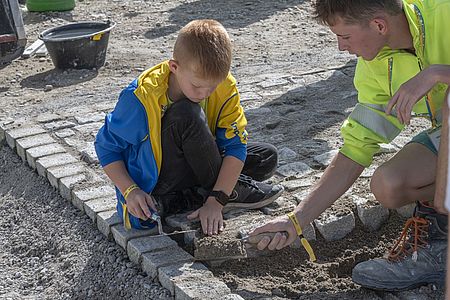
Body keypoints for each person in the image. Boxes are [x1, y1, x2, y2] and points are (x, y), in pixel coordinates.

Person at [251, 0, 450, 291]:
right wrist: (296, 221)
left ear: (379, 25)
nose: (340, 48)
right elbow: (356, 149)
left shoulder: (443, 11)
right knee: (388, 184)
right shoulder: (373, 66)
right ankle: (441, 249)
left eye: (344, 36)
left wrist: (438, 73)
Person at [95, 19, 283, 236]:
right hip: (158, 178)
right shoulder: (140, 98)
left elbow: (235, 145)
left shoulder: (224, 84)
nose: (204, 93)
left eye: (212, 86)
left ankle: (189, 197)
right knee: (187, 113)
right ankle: (225, 192)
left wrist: (214, 203)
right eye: (197, 86)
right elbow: (106, 147)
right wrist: (131, 191)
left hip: (194, 158)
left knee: (266, 157)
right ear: (174, 67)